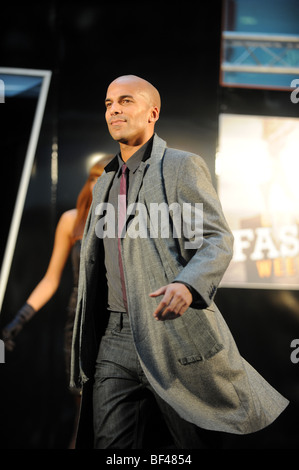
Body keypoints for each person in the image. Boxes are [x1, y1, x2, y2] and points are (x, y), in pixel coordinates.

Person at [70, 75, 289, 449]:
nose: (115, 110)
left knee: (187, 446)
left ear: (153, 112)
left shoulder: (180, 166)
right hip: (114, 337)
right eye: (108, 104)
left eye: (125, 101)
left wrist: (188, 285)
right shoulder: (103, 182)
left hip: (172, 334)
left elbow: (216, 239)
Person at [1, 156, 112, 448]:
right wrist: (19, 320)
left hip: (117, 325)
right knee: (80, 412)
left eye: (106, 177)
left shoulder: (131, 221)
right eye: (93, 177)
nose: (98, 183)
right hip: (77, 324)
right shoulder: (70, 220)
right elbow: (50, 279)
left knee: (114, 412)